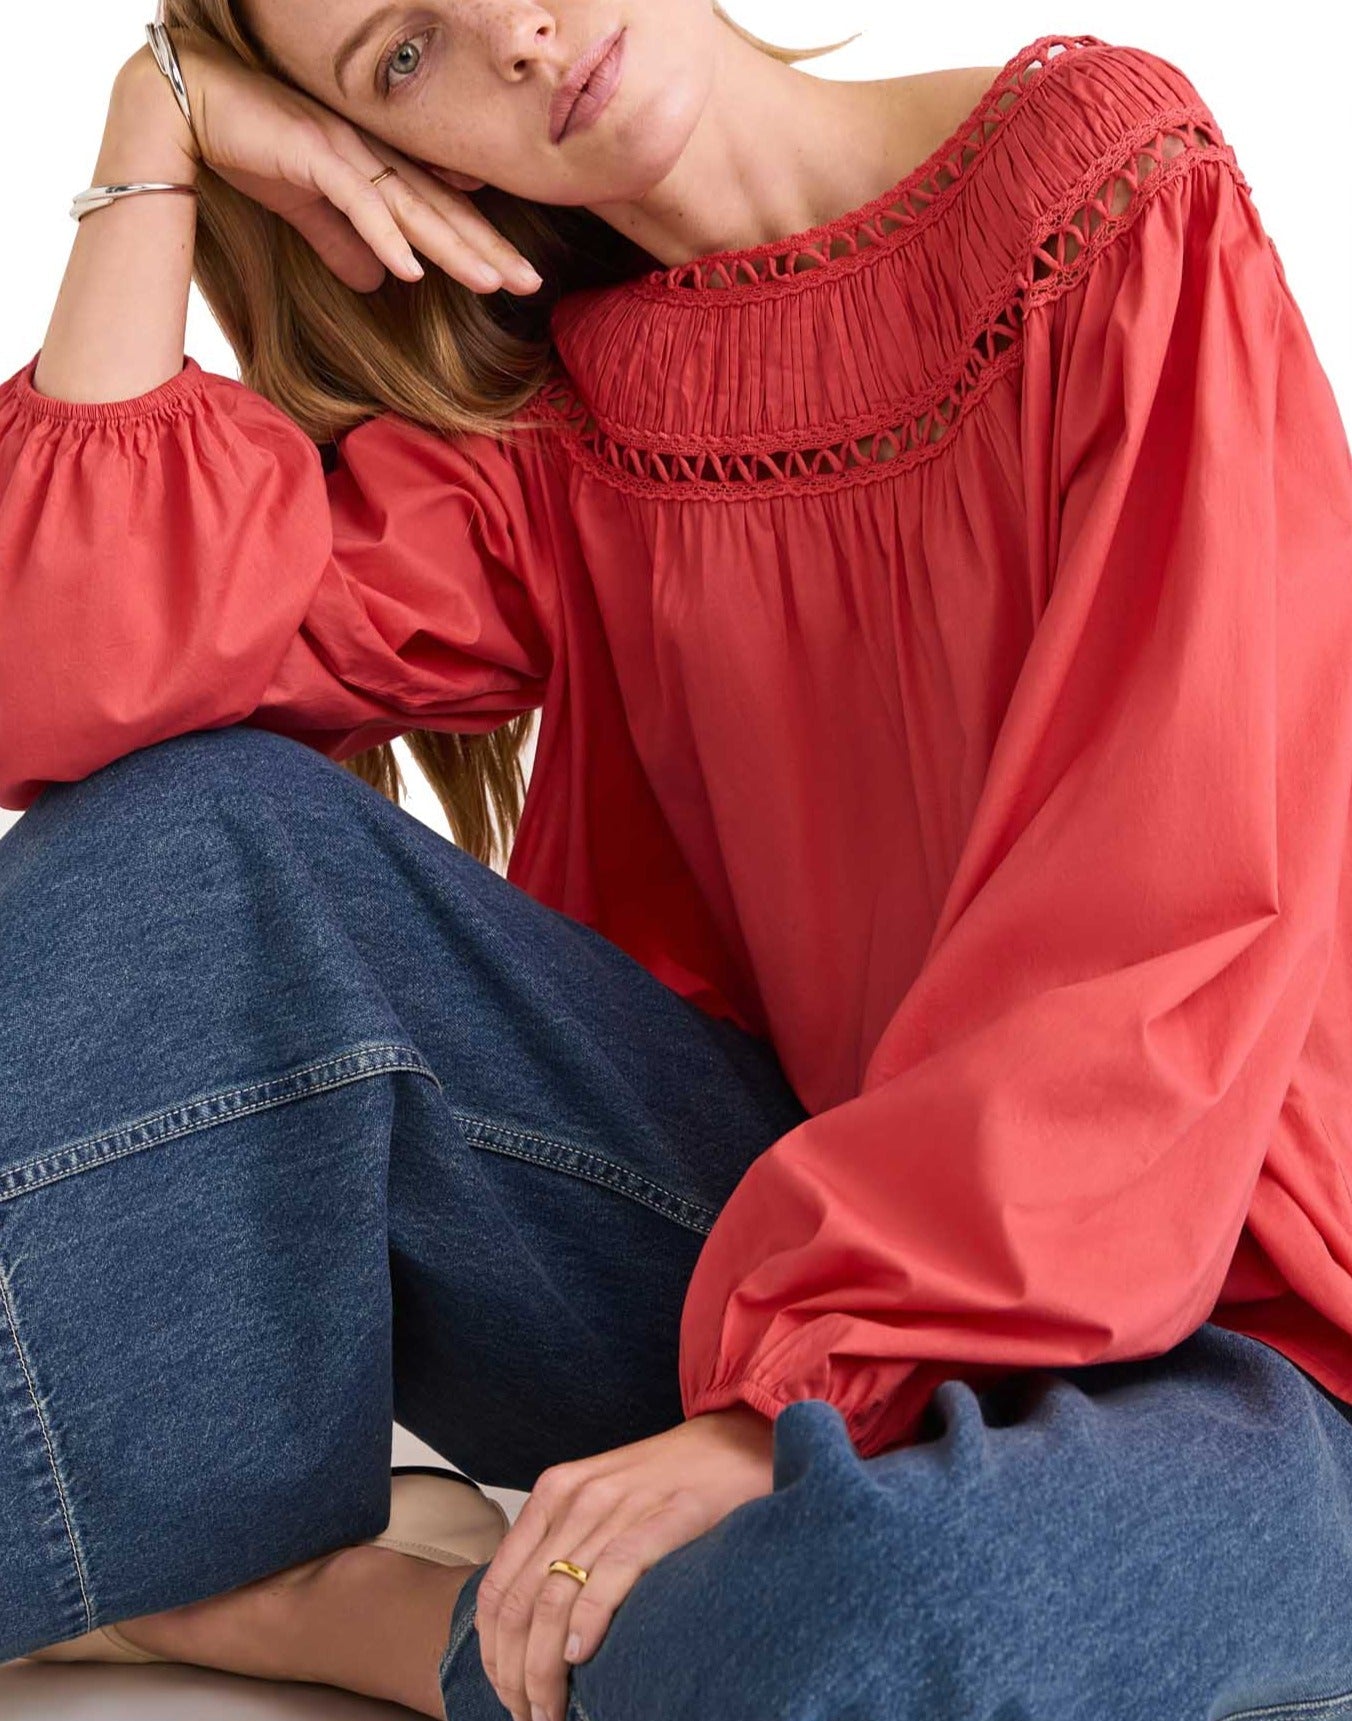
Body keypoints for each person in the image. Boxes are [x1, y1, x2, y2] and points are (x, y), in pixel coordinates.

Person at [3, 4, 1352, 1718]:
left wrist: (769, 1412)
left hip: (1246, 1324)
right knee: (183, 837)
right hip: (777, 1264)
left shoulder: (1110, 189)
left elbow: (1167, 915)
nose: (514, 34)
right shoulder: (568, 428)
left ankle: (293, 1607)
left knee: (893, 1603)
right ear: (401, 167)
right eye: (397, 59)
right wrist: (158, 121)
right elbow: (70, 672)